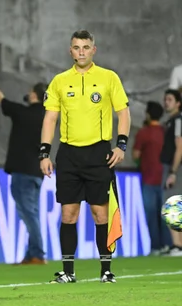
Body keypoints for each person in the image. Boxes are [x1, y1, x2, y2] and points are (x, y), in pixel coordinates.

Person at [39, 30, 131, 284]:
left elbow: (123, 113)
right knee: (68, 214)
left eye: (86, 47)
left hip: (98, 153)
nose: (81, 51)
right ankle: (67, 271)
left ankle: (106, 271)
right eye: (77, 47)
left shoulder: (108, 78)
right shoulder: (59, 81)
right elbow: (50, 118)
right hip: (68, 154)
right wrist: (44, 152)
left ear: (94, 50)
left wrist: (121, 145)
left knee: (100, 215)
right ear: (70, 51)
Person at [0, 76, 47, 265]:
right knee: (32, 212)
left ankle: (37, 254)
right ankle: (31, 254)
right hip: (38, 171)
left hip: (22, 171)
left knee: (29, 214)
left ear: (34, 95)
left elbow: (2, 101)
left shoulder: (23, 113)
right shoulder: (49, 118)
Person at [132, 101, 172, 255]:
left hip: (148, 178)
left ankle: (155, 247)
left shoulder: (144, 132)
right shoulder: (166, 131)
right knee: (166, 215)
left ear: (148, 114)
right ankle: (169, 245)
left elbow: (136, 155)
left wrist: (141, 163)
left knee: (151, 215)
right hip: (165, 178)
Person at [160, 89, 182, 256]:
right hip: (173, 167)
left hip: (176, 168)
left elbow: (180, 146)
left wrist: (173, 171)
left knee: (172, 205)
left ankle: (177, 245)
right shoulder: (171, 121)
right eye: (165, 99)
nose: (166, 102)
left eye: (169, 99)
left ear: (178, 103)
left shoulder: (178, 121)